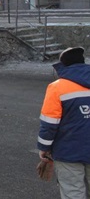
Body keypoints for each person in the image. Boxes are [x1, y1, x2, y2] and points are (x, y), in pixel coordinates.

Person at [37, 47, 90, 198]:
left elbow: (49, 123)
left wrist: (44, 148)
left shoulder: (57, 87)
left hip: (68, 151)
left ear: (64, 65)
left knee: (73, 191)